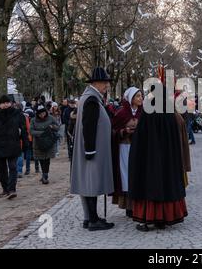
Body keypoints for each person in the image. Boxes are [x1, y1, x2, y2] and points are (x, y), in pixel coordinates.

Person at [128, 83, 189, 231]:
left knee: (149, 185)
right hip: (168, 161)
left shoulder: (147, 114)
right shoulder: (170, 115)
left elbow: (139, 140)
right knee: (165, 183)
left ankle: (148, 219)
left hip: (149, 160)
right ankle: (163, 219)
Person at [70, 67, 115, 231]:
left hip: (91, 149)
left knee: (90, 183)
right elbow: (88, 127)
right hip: (92, 150)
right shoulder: (91, 100)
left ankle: (90, 218)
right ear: (96, 83)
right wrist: (90, 150)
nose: (106, 86)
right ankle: (93, 220)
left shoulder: (90, 98)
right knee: (91, 184)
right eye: (105, 83)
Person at [0, 95, 29, 199]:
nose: (5, 104)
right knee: (0, 169)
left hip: (13, 144)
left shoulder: (17, 114)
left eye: (7, 102)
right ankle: (5, 189)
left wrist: (26, 143)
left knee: (13, 167)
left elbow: (23, 130)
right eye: (3, 103)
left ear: (11, 103)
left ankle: (12, 189)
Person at [111, 87, 143, 217]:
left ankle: (139, 205)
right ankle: (128, 206)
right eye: (138, 96)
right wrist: (124, 131)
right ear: (131, 99)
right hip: (125, 148)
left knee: (138, 174)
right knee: (126, 176)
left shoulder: (144, 112)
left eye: (141, 96)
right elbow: (113, 131)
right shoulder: (121, 114)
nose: (141, 98)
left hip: (140, 149)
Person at [30, 105, 59, 184]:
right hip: (38, 143)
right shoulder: (33, 120)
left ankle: (45, 175)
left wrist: (52, 127)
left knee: (47, 159)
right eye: (40, 114)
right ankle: (44, 174)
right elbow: (31, 131)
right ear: (37, 114)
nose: (42, 115)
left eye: (43, 113)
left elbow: (57, 127)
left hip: (49, 142)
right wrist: (42, 133)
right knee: (41, 159)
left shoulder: (51, 118)